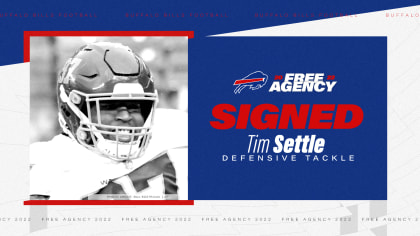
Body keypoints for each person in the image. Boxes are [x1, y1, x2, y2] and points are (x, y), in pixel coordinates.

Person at [30, 42, 188, 200]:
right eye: (109, 106)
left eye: (135, 106)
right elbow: (36, 222)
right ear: (72, 111)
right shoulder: (46, 171)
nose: (125, 116)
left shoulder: (176, 132)